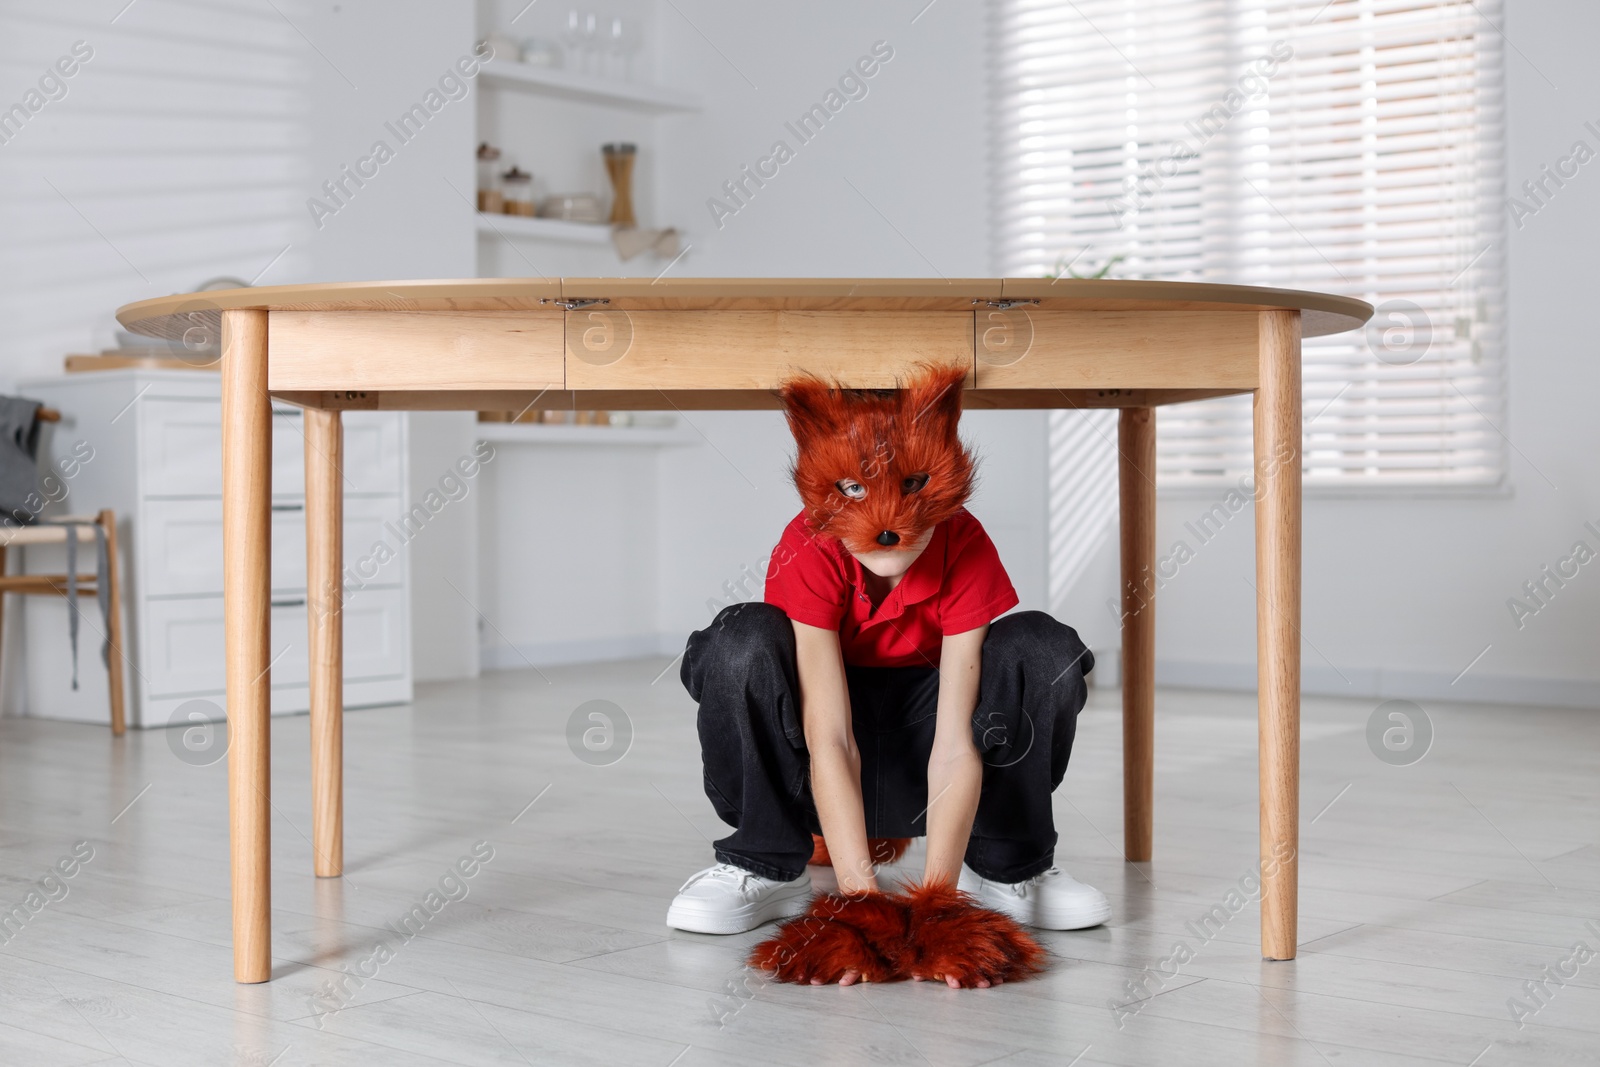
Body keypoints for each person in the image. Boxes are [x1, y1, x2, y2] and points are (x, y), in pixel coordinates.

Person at [667, 364, 1108, 959]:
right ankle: (767, 861)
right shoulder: (807, 543)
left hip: (929, 768)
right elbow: (830, 740)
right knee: (738, 639)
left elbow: (957, 745)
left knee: (1042, 646)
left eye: (912, 485)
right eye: (854, 490)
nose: (890, 528)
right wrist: (859, 904)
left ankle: (1003, 866)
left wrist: (939, 906)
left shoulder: (964, 542)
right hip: (814, 775)